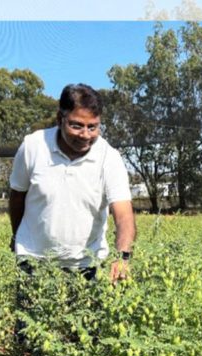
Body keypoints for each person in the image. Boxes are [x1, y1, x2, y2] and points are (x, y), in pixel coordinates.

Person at [8, 83, 135, 321]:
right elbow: (17, 196)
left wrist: (122, 256)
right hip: (35, 260)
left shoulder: (109, 158)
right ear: (60, 118)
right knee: (30, 336)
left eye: (92, 127)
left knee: (82, 338)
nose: (85, 135)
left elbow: (124, 214)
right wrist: (17, 237)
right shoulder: (34, 147)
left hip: (86, 263)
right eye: (77, 125)